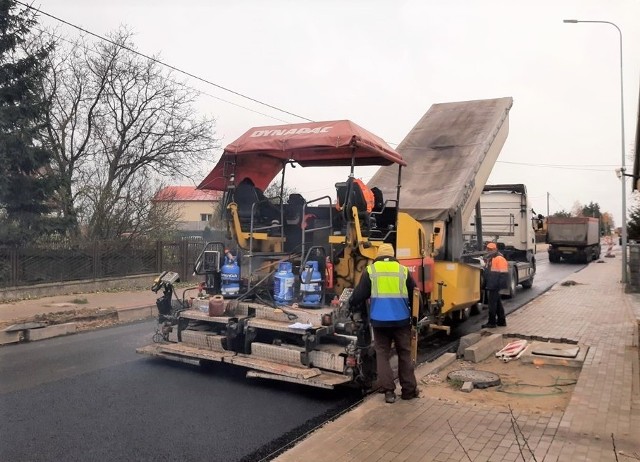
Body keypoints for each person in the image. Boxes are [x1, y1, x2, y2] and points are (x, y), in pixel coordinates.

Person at [348, 243, 419, 404]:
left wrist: (350, 304)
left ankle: (389, 392)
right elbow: (415, 295)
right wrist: (416, 318)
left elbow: (359, 295)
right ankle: (408, 391)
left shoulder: (371, 271)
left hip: (379, 321)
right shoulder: (403, 271)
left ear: (377, 255)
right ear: (394, 255)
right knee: (404, 354)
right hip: (401, 321)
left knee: (382, 355)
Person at [482, 242, 509, 328]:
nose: (488, 251)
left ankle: (492, 322)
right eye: (487, 249)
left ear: (495, 249)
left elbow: (503, 273)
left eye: (490, 249)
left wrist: (498, 285)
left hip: (495, 284)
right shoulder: (492, 258)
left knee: (492, 304)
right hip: (492, 283)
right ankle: (501, 321)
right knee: (497, 303)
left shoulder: (499, 258)